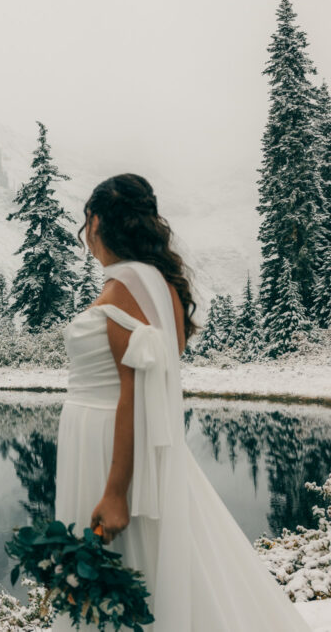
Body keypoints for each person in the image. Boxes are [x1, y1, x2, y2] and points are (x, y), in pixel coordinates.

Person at [53, 174, 309, 631]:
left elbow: (133, 391)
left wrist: (116, 492)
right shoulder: (155, 283)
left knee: (122, 571)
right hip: (111, 445)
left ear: (99, 221)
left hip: (109, 451)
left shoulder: (129, 282)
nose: (85, 234)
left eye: (87, 221)